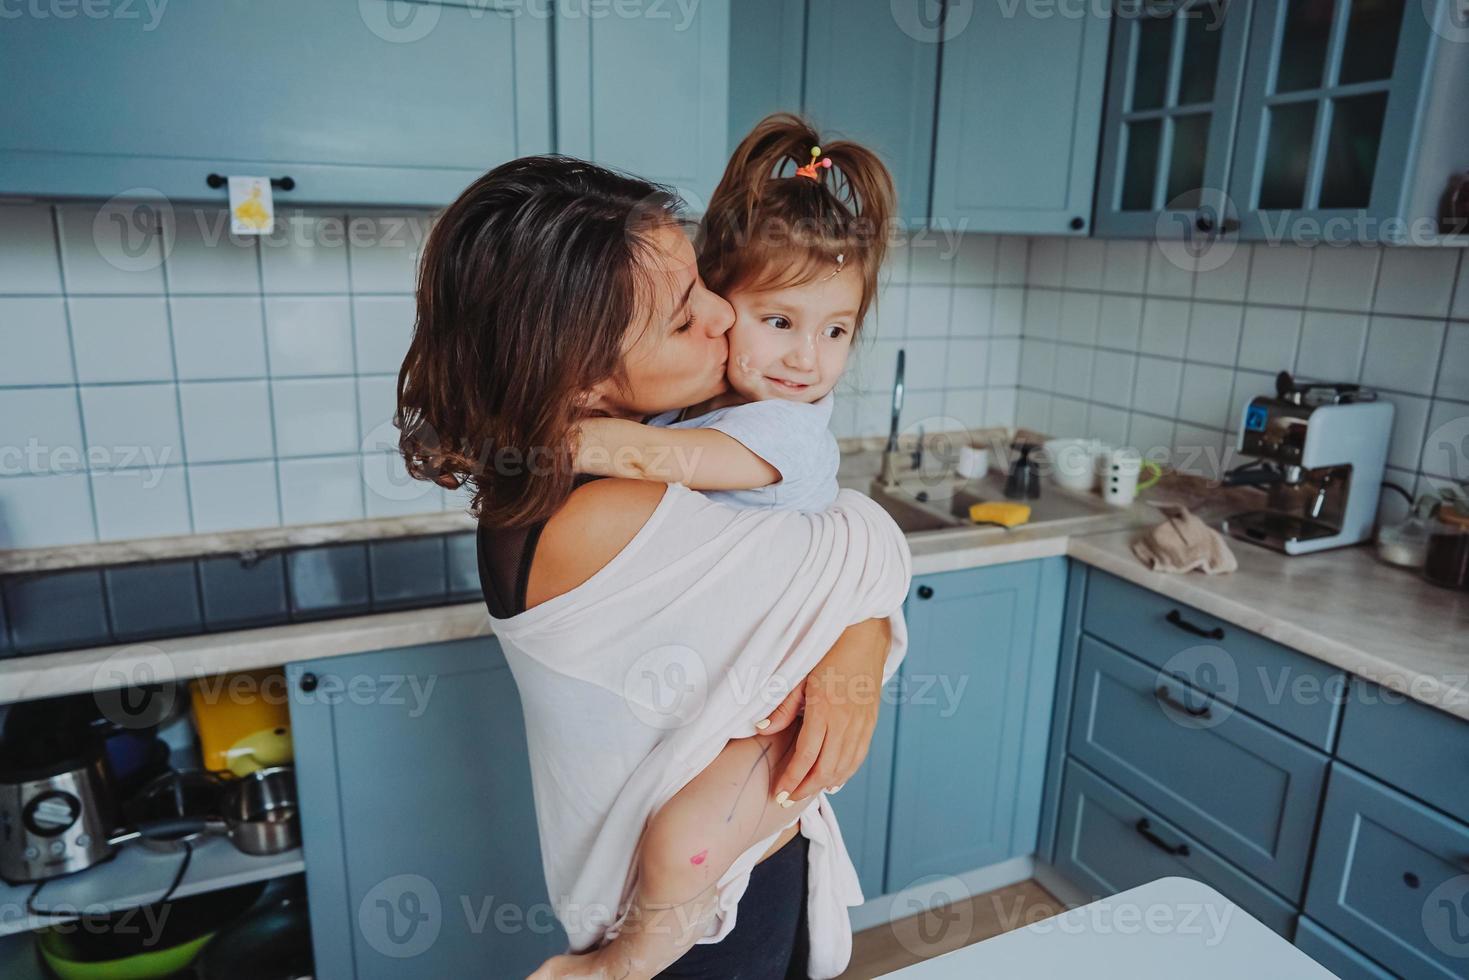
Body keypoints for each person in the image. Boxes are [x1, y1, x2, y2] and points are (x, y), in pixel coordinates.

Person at [397, 148, 910, 980]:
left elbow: (841, 555)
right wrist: (856, 640)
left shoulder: (549, 477)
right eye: (683, 317)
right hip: (703, 919)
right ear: (581, 384)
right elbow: (863, 546)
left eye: (701, 282)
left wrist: (849, 642)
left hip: (731, 864)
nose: (721, 315)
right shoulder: (600, 516)